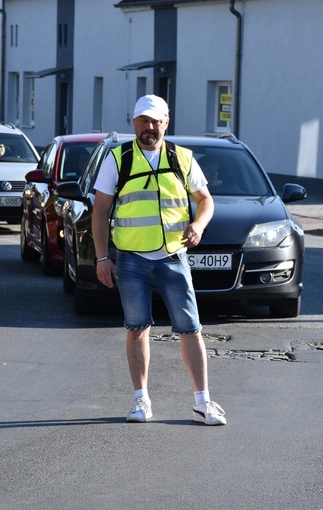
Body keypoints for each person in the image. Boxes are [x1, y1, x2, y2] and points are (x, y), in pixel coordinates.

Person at [91, 95, 226, 426]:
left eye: (155, 121)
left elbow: (206, 201)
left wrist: (198, 224)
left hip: (173, 257)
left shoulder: (182, 159)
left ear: (166, 123)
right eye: (143, 121)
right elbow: (100, 211)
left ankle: (202, 402)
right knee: (137, 328)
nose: (149, 127)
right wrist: (102, 257)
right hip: (132, 259)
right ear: (133, 122)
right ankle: (141, 401)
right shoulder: (117, 158)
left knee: (190, 328)